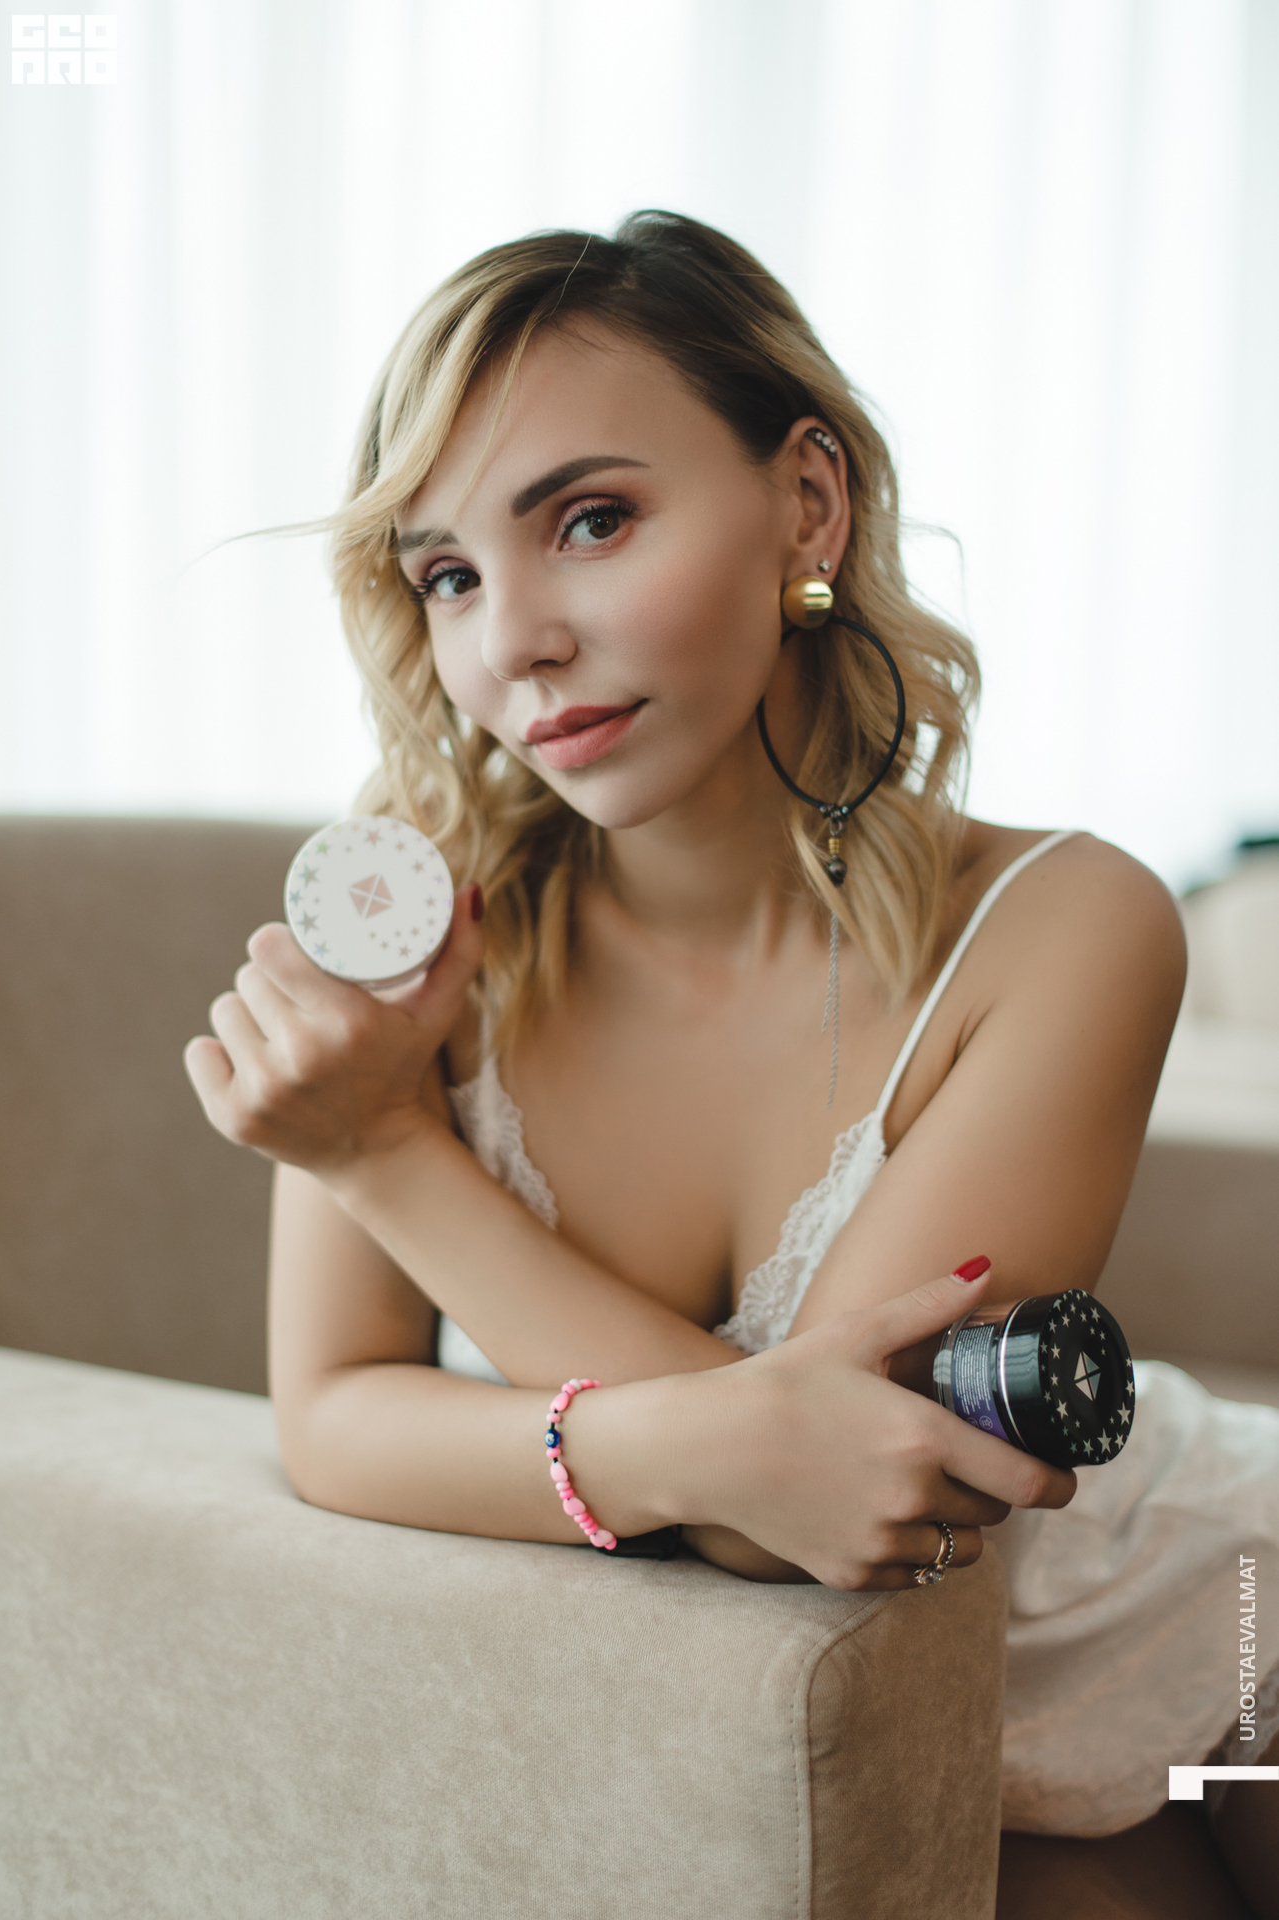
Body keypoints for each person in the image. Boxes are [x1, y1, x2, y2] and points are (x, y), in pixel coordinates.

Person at [183, 212, 1278, 1916]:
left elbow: (823, 1506)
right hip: (874, 1718)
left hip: (1211, 1632)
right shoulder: (416, 937)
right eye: (447, 574)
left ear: (808, 507)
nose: (511, 640)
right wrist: (696, 1449)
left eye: (590, 520)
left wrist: (385, 1158)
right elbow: (332, 1419)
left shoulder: (1067, 924)